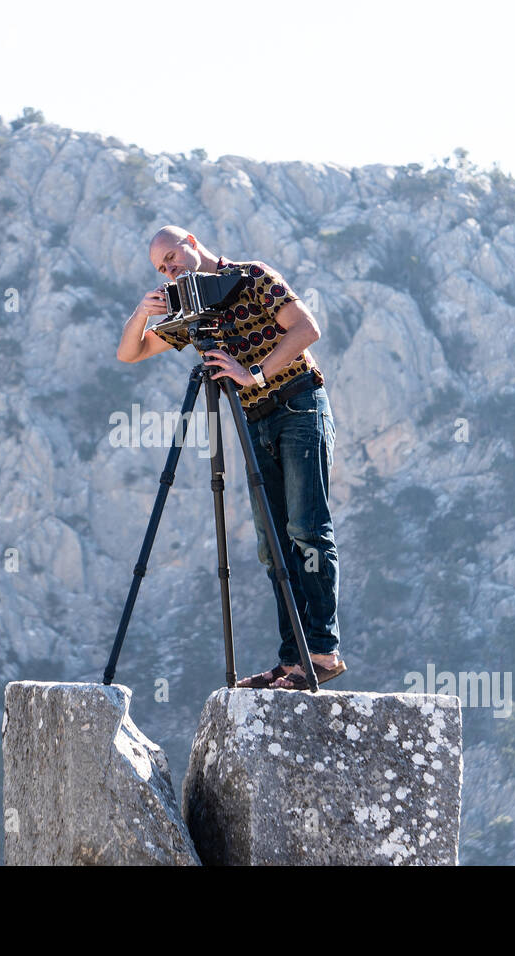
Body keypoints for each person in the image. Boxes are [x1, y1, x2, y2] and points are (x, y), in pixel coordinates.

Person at [114, 225, 344, 690]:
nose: (170, 269)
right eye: (161, 268)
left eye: (172, 257)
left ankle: (322, 649)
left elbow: (307, 329)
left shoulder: (253, 277)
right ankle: (293, 657)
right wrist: (143, 311)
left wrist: (251, 372)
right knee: (272, 544)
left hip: (298, 405)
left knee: (306, 529)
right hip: (256, 420)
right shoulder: (192, 305)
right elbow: (130, 353)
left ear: (192, 242)